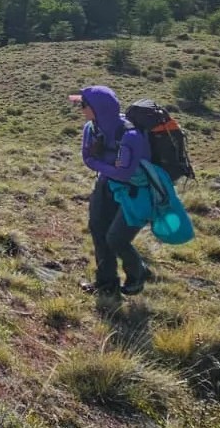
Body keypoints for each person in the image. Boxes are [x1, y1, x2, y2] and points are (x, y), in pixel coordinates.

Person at [74, 85, 154, 297]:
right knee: (98, 231)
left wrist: (100, 164)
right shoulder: (91, 128)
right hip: (106, 185)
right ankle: (106, 284)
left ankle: (138, 274)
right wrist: (108, 167)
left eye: (83, 105)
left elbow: (124, 174)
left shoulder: (130, 136)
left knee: (116, 239)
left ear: (98, 109)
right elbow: (88, 159)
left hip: (136, 191)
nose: (81, 109)